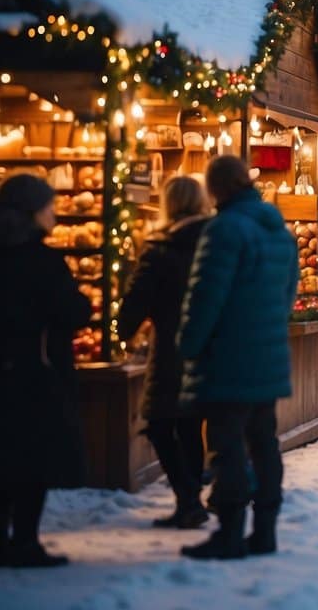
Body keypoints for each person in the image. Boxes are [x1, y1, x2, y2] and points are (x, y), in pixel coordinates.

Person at [0, 174, 89, 568]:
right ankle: (25, 542)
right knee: (33, 460)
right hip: (34, 374)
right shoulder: (42, 260)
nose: (55, 214)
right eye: (50, 207)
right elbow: (74, 310)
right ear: (32, 211)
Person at [177, 155, 298, 559]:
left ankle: (229, 532)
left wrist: (188, 345)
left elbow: (205, 297)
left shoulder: (224, 229)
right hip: (266, 356)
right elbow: (286, 296)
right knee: (263, 444)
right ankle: (265, 531)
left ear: (217, 189)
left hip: (228, 356)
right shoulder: (278, 231)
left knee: (226, 446)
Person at [116, 176, 211, 530]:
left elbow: (137, 300)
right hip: (205, 348)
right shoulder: (213, 243)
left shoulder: (160, 248)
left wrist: (123, 331)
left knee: (159, 423)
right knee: (189, 424)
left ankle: (187, 498)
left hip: (170, 348)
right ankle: (191, 501)